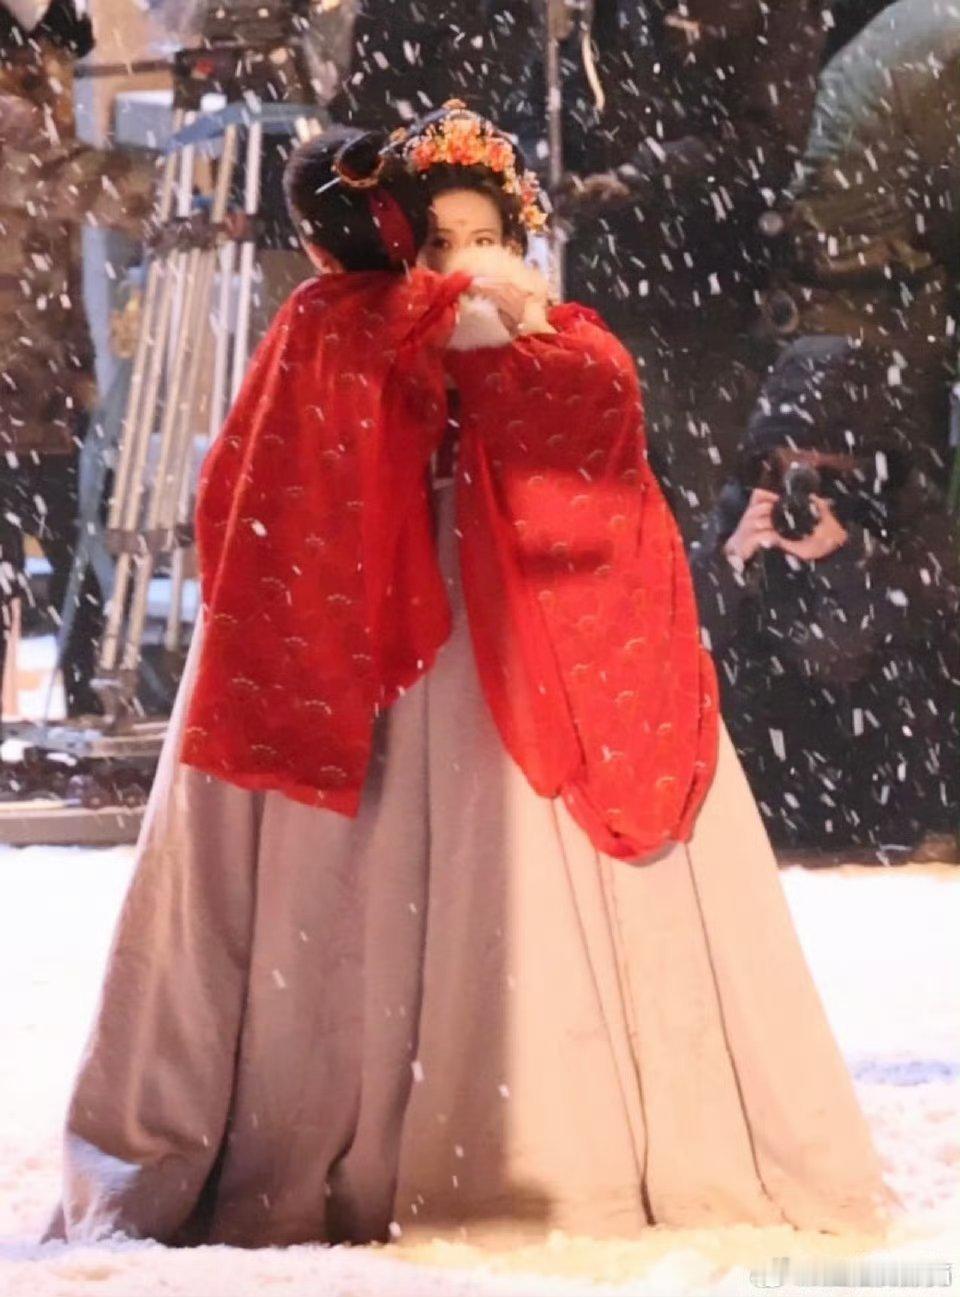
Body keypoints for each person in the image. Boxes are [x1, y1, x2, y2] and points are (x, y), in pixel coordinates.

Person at [48, 109, 894, 1247]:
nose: (462, 266)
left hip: (512, 634)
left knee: (512, 876)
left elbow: (591, 452)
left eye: (483, 238)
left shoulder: (564, 348)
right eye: (436, 243)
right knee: (363, 875)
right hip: (377, 637)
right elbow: (268, 472)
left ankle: (534, 1125)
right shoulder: (334, 330)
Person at [692, 0, 960, 857]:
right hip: (871, 308)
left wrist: (847, 560)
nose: (801, 481)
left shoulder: (923, 27)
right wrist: (737, 558)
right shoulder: (944, 41)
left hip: (851, 305)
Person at [495, 0, 830, 543]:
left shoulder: (765, 13)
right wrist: (539, 164)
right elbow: (536, 101)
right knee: (595, 513)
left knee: (694, 511)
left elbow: (768, 142)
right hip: (595, 292)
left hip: (705, 299)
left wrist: (644, 175)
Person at [0, 0, 157, 722]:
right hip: (28, 398)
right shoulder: (21, 129)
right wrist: (189, 172)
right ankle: (86, 713)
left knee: (76, 576)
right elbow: (86, 183)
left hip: (51, 397)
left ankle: (87, 713)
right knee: (74, 573)